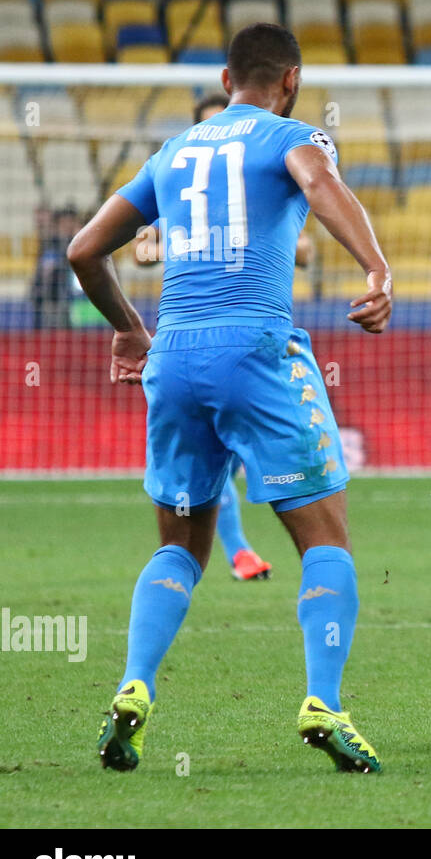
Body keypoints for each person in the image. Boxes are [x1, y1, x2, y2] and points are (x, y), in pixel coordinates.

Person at [67, 23, 392, 773]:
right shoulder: (291, 135)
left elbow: (84, 249)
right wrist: (376, 269)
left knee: (179, 547)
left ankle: (133, 689)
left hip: (173, 356)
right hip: (254, 350)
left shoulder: (172, 152)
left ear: (224, 80)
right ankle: (323, 702)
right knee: (324, 541)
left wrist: (128, 330)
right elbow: (319, 181)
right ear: (293, 80)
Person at [132, 90, 319, 582]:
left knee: (224, 460)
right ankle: (240, 552)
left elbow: (307, 252)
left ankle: (237, 552)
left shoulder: (262, 175)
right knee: (218, 457)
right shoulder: (180, 174)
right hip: (204, 334)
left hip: (234, 333)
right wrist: (185, 244)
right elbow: (138, 248)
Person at [33, 206, 80, 328]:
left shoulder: (82, 246)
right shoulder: (50, 246)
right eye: (64, 223)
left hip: (73, 302)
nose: (68, 227)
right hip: (49, 303)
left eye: (71, 222)